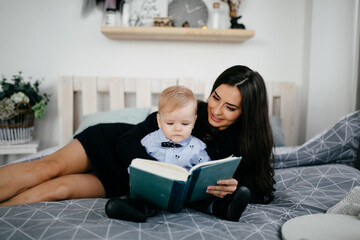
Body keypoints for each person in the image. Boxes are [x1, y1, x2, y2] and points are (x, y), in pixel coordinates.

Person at [0, 65, 275, 223]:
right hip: (112, 146)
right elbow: (128, 139)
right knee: (45, 169)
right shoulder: (189, 110)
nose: (216, 110)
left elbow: (263, 191)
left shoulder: (249, 143)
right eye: (215, 97)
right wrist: (159, 173)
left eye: (230, 107)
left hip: (126, 183)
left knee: (59, 189)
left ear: (246, 112)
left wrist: (238, 186)